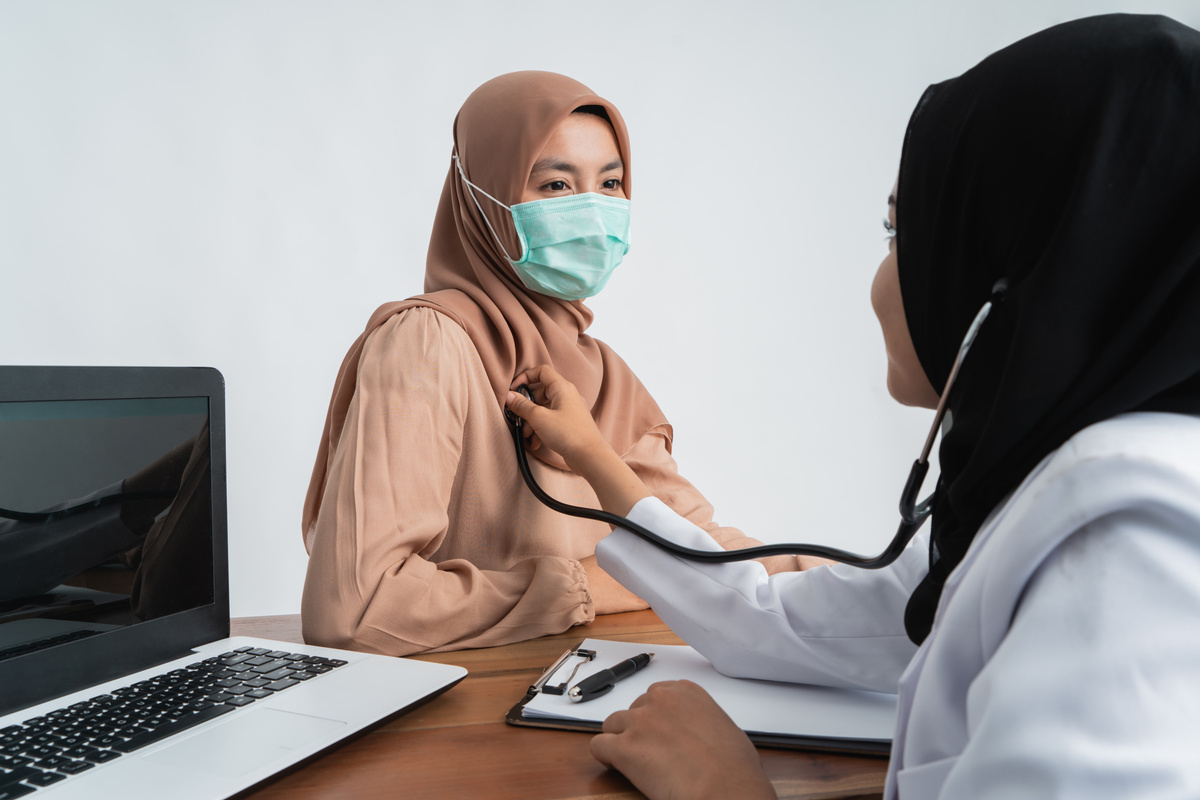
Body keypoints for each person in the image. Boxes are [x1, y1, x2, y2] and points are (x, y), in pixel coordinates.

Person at [505, 14, 1200, 799]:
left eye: (900, 232)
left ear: (1007, 278)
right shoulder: (1039, 492)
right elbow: (781, 625)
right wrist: (598, 460)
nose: (881, 276)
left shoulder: (1131, 538)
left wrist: (728, 791)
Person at [301, 71, 813, 657]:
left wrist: (812, 568)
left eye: (611, 182)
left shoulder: (602, 375)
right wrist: (581, 587)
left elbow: (692, 544)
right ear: (483, 194)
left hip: (566, 693)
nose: (593, 210)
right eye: (556, 185)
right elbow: (356, 609)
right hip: (454, 717)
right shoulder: (427, 342)